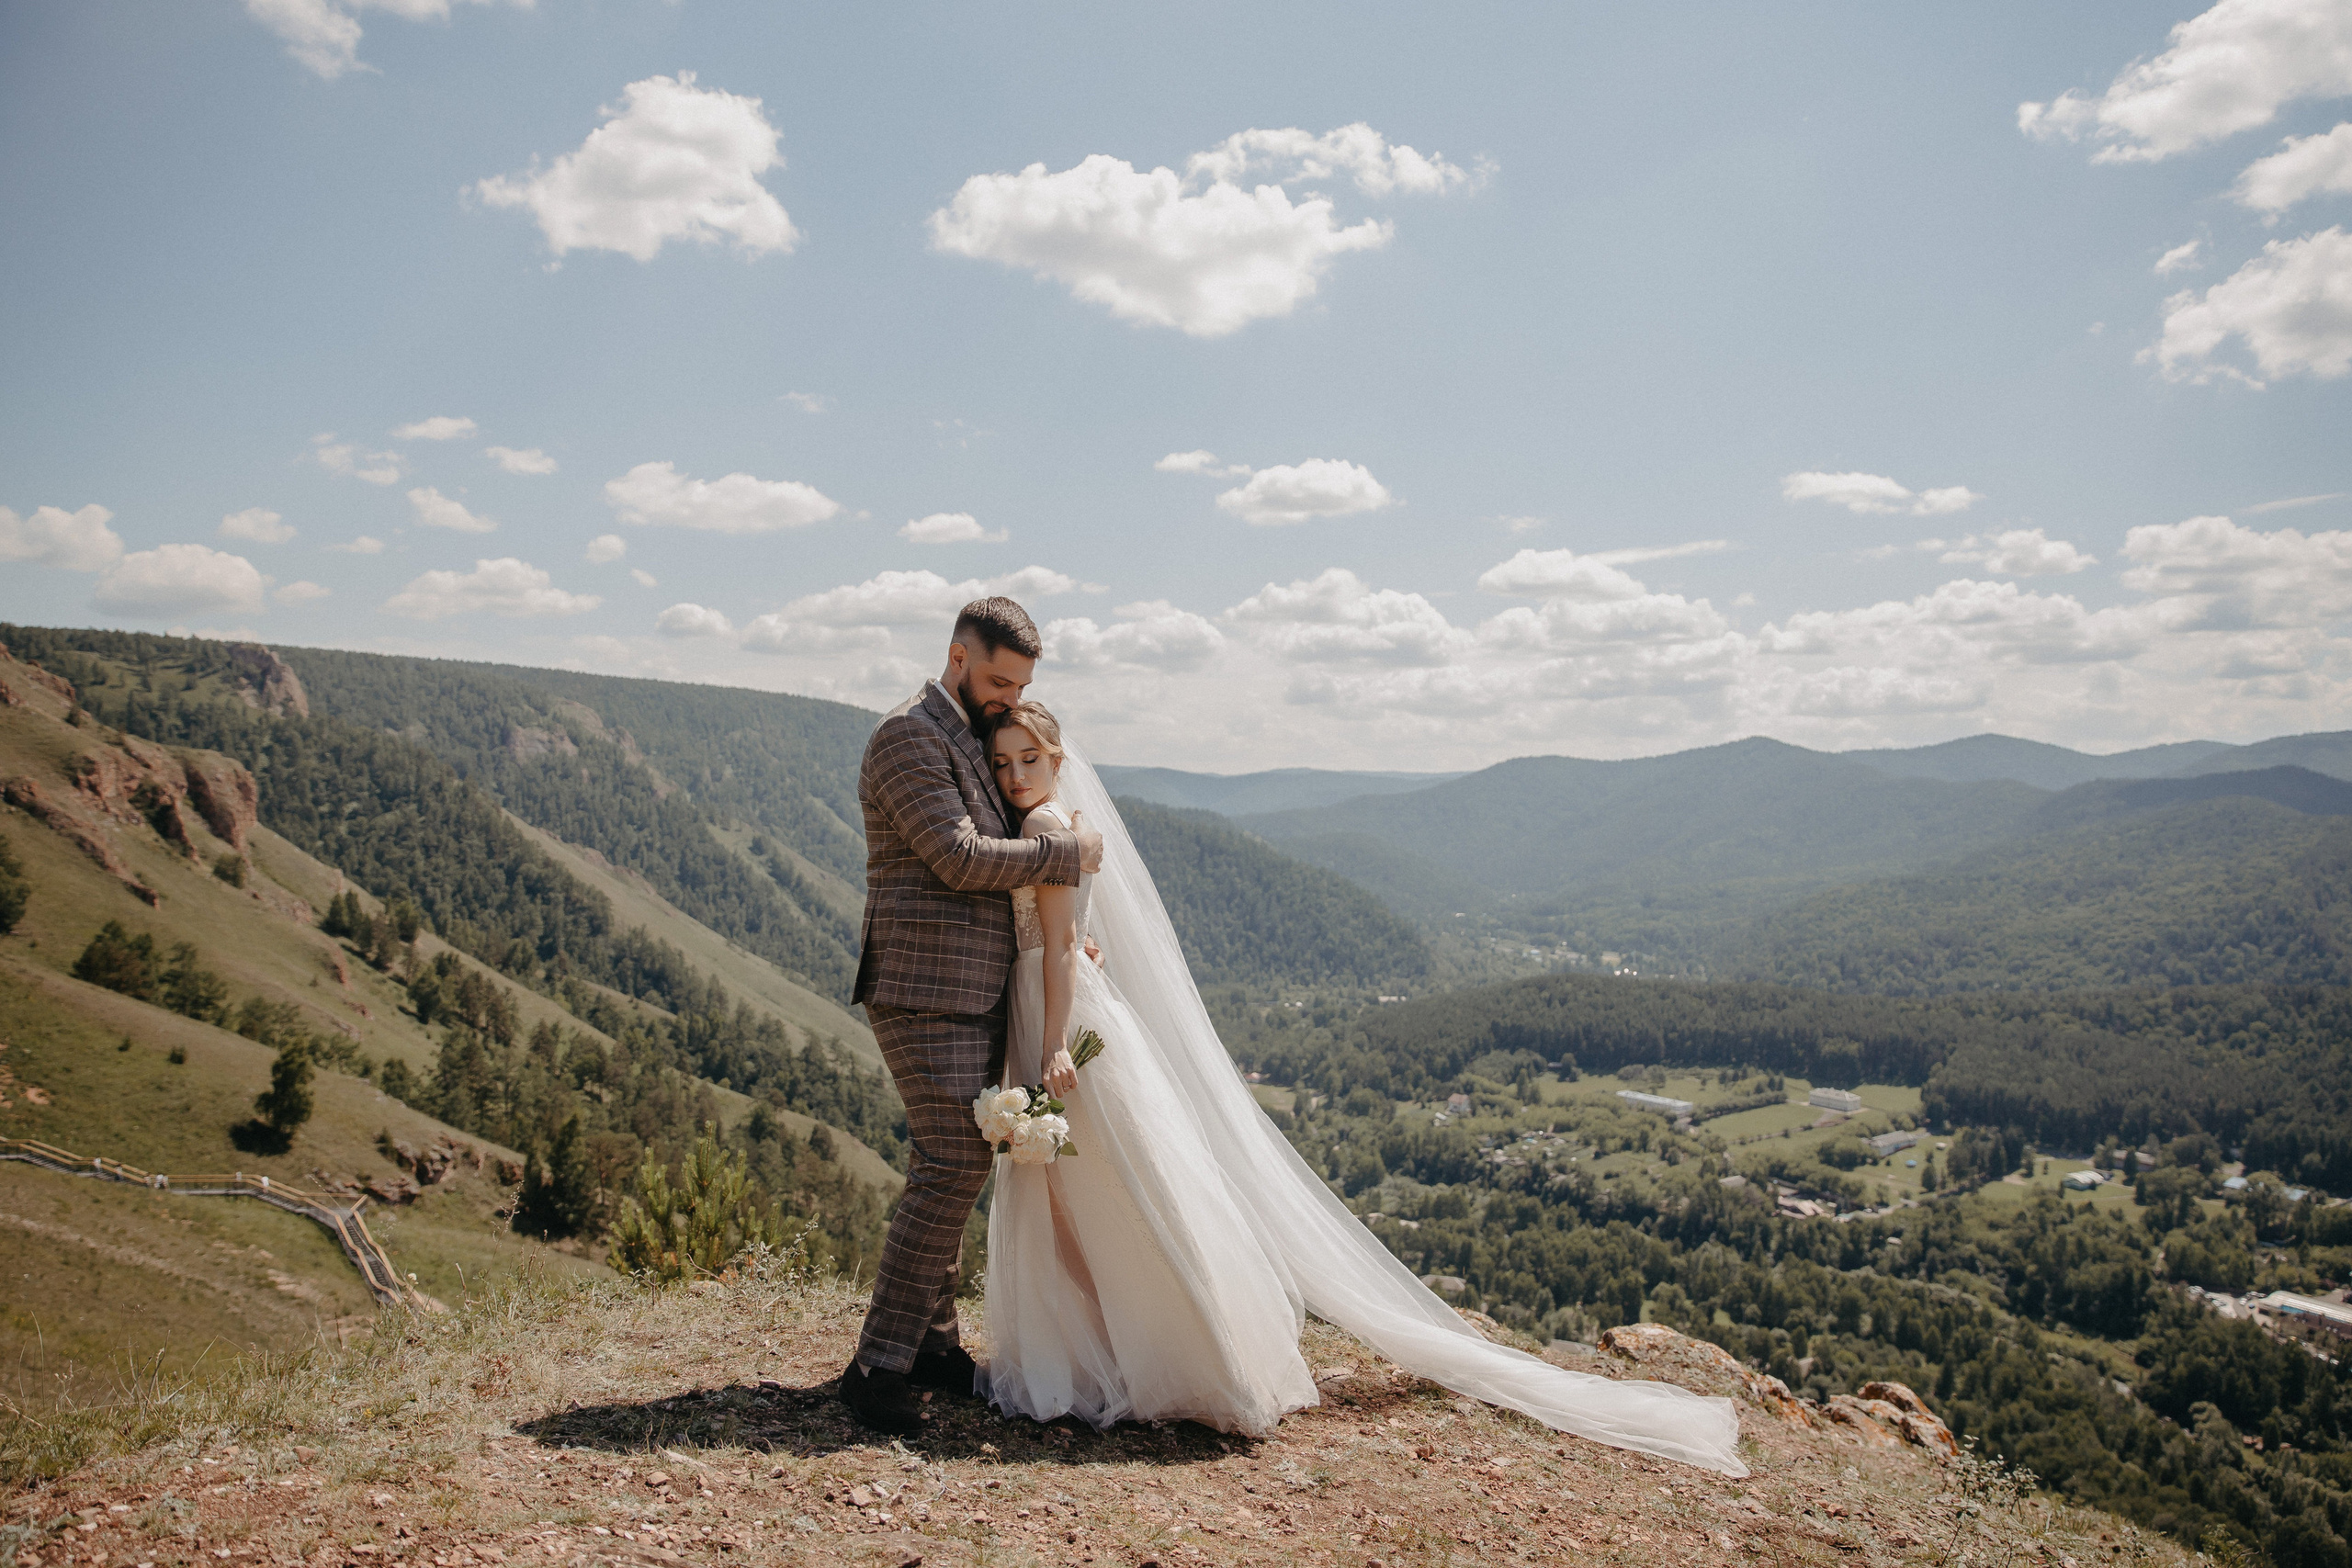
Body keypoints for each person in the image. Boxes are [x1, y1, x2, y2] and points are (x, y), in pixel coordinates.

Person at [971, 698, 1750, 1475]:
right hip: (1063, 999)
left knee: (1098, 1188)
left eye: (1027, 760)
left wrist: (1051, 1047)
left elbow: (1064, 942)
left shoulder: (1043, 827)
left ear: (1058, 759)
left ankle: (1133, 1354)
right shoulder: (1064, 821)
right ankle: (1132, 1347)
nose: (1013, 775)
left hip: (1059, 1012)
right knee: (1107, 1185)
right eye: (1002, 762)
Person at [841, 596, 1104, 1436]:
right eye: (996, 678)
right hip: (922, 987)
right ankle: (879, 1363)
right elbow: (956, 856)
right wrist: (1066, 855)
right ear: (957, 655)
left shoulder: (967, 732)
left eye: (1020, 684)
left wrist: (1057, 931)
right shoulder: (907, 737)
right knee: (952, 1159)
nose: (1005, 695)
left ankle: (934, 1343)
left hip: (982, 988)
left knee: (957, 1159)